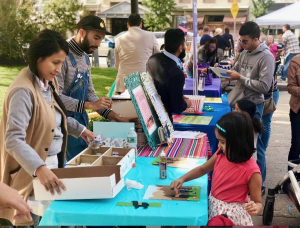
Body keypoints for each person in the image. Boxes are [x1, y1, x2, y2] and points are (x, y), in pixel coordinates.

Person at [0, 30, 95, 226]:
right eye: (55, 62)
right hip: (30, 178)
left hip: (50, 169)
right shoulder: (22, 91)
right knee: (34, 221)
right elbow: (13, 140)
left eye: (61, 63)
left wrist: (81, 130)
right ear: (38, 58)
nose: (59, 70)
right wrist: (40, 168)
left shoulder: (48, 81)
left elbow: (52, 115)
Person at [56, 15, 137, 161]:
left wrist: (116, 118)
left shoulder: (86, 58)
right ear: (82, 32)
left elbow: (90, 94)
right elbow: (56, 98)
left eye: (101, 39)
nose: (99, 44)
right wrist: (89, 105)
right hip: (64, 125)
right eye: (96, 38)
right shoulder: (62, 57)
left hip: (82, 122)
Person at [170, 111, 263, 225]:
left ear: (238, 142)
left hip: (231, 218)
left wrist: (255, 207)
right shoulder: (221, 153)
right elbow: (202, 169)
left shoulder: (252, 172)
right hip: (214, 208)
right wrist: (182, 179)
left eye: (222, 142)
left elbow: (258, 202)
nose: (218, 145)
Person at [227, 21, 274, 194]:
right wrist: (225, 74)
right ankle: (243, 183)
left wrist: (240, 78)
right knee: (240, 145)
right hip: (239, 102)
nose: (242, 44)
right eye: (240, 40)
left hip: (254, 105)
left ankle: (259, 186)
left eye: (245, 41)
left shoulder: (267, 57)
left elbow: (264, 87)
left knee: (256, 147)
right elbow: (236, 71)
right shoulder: (245, 52)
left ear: (256, 39)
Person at [146, 29, 192, 121]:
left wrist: (178, 94)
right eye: (184, 44)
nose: (185, 47)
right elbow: (177, 106)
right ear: (180, 47)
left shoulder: (153, 59)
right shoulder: (176, 73)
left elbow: (162, 86)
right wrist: (187, 103)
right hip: (166, 119)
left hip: (151, 113)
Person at [114, 13, 160, 93]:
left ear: (128, 25)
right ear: (141, 24)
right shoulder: (150, 36)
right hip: (145, 80)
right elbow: (158, 57)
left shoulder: (119, 39)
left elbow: (117, 65)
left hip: (124, 82)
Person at [287, 55, 300, 163]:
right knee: (297, 143)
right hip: (297, 108)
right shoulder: (295, 61)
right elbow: (290, 86)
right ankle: (292, 177)